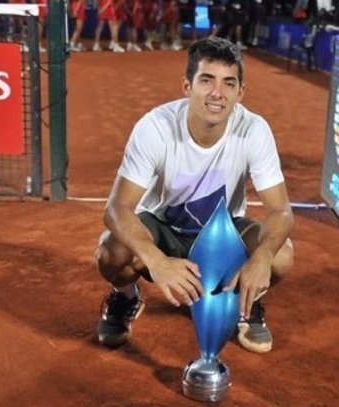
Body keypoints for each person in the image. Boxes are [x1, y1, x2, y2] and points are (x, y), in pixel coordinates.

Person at [95, 37, 295, 353]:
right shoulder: (155, 128)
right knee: (112, 252)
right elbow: (117, 208)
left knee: (281, 256)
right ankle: (126, 297)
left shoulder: (254, 130)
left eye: (229, 83)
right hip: (163, 232)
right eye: (206, 80)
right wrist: (156, 260)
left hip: (222, 238)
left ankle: (246, 305)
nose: (217, 93)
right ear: (187, 86)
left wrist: (263, 255)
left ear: (240, 93)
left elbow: (280, 211)